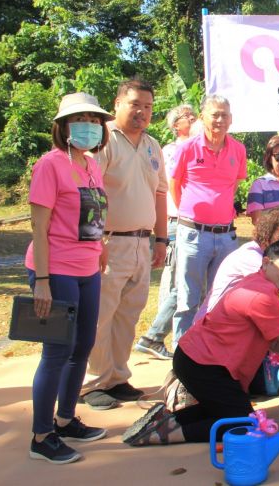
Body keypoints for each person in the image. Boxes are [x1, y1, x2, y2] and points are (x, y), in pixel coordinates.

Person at [122, 241, 279, 446]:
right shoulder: (261, 296)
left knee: (223, 408)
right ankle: (164, 436)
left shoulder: (260, 278)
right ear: (266, 263)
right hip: (202, 364)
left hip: (197, 357)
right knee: (244, 426)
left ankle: (167, 419)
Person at [25, 93, 112, 464]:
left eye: (95, 120)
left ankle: (65, 419)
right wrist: (42, 280)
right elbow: (39, 226)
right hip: (54, 269)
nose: (90, 126)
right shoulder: (50, 164)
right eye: (82, 120)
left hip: (87, 268)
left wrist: (101, 250)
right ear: (63, 127)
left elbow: (91, 216)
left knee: (83, 346)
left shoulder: (91, 164)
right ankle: (41, 436)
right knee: (57, 350)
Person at [81, 79, 168, 410]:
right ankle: (93, 383)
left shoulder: (152, 144)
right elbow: (89, 192)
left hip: (141, 243)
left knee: (128, 314)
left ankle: (117, 377)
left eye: (147, 106)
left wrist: (161, 238)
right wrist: (95, 239)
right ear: (117, 103)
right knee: (101, 315)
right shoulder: (102, 140)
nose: (142, 112)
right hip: (108, 242)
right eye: (134, 104)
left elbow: (160, 194)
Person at [170, 94, 247, 342]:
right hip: (192, 233)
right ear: (203, 117)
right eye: (215, 114)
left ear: (231, 119)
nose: (220, 120)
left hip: (225, 235)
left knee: (221, 297)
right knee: (188, 298)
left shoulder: (238, 149)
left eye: (224, 115)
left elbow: (233, 184)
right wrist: (190, 213)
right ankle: (181, 357)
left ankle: (210, 352)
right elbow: (174, 183)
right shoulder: (187, 148)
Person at [135, 104, 196, 360]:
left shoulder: (199, 147)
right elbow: (170, 186)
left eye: (194, 115)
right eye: (186, 117)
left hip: (185, 221)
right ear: (175, 125)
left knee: (188, 282)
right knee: (185, 283)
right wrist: (184, 213)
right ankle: (154, 336)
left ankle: (161, 337)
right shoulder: (169, 151)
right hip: (179, 221)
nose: (192, 119)